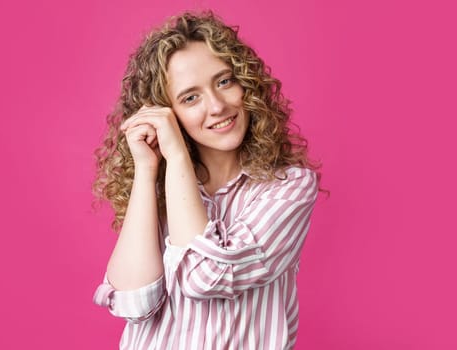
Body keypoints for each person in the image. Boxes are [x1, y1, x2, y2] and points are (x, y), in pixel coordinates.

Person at [92, 10, 325, 350]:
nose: (216, 106)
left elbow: (206, 277)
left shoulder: (288, 187)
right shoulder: (157, 191)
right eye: (190, 97)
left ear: (246, 83)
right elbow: (133, 302)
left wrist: (177, 157)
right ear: (166, 113)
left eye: (224, 81)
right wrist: (146, 169)